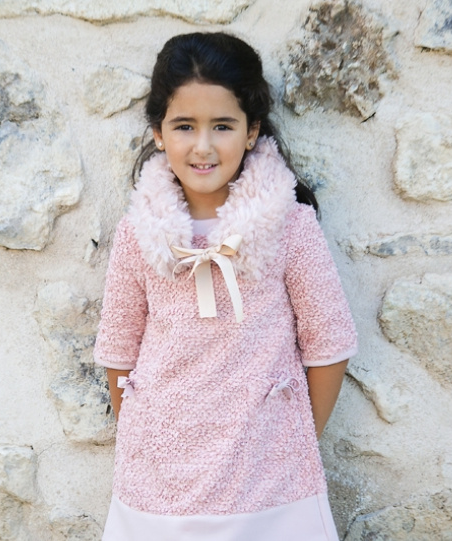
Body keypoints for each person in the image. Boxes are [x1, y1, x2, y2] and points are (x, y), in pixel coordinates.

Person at [94, 32, 358, 541]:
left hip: (267, 476)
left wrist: (289, 439)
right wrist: (146, 441)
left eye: (222, 126)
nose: (203, 146)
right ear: (158, 132)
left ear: (252, 130)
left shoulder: (289, 228)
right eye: (184, 126)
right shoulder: (138, 234)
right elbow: (118, 348)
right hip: (159, 482)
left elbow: (329, 343)